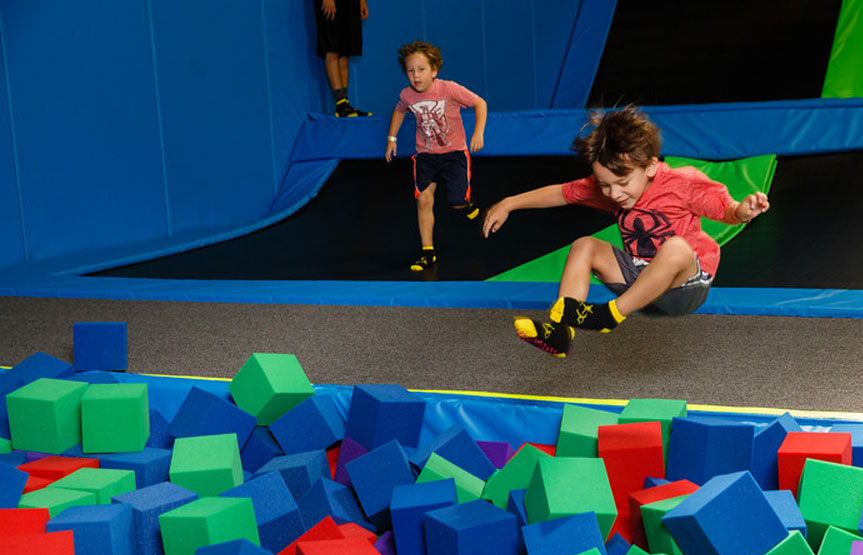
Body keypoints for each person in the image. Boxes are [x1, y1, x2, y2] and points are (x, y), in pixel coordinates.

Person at [482, 106, 770, 358]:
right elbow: (561, 193)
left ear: (651, 167)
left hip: (685, 286)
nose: (614, 194)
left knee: (677, 247)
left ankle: (610, 314)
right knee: (585, 246)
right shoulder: (607, 188)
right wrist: (510, 203)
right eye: (605, 184)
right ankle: (560, 334)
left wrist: (742, 212)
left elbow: (727, 210)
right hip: (640, 277)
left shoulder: (682, 183)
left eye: (622, 182)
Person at [385, 41, 488, 272]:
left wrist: (478, 132)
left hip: (454, 155)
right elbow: (399, 109)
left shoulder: (448, 89)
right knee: (423, 199)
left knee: (456, 202)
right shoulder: (407, 95)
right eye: (410, 71)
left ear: (434, 71)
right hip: (426, 156)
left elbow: (480, 103)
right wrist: (392, 139)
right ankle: (427, 252)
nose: (415, 76)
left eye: (421, 70)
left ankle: (466, 203)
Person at [314, 0, 371, 117]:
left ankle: (345, 104)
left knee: (346, 50)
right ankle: (341, 104)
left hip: (350, 4)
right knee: (332, 48)